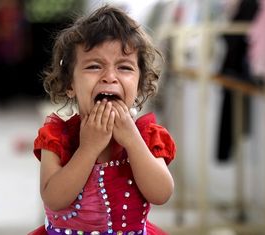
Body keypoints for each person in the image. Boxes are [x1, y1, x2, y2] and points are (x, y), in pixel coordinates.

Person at [29, 5, 176, 235]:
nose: (109, 77)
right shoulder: (57, 137)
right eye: (94, 66)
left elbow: (162, 194)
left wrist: (132, 141)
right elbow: (54, 199)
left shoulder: (147, 136)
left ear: (138, 86)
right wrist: (88, 148)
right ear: (70, 85)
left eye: (124, 67)